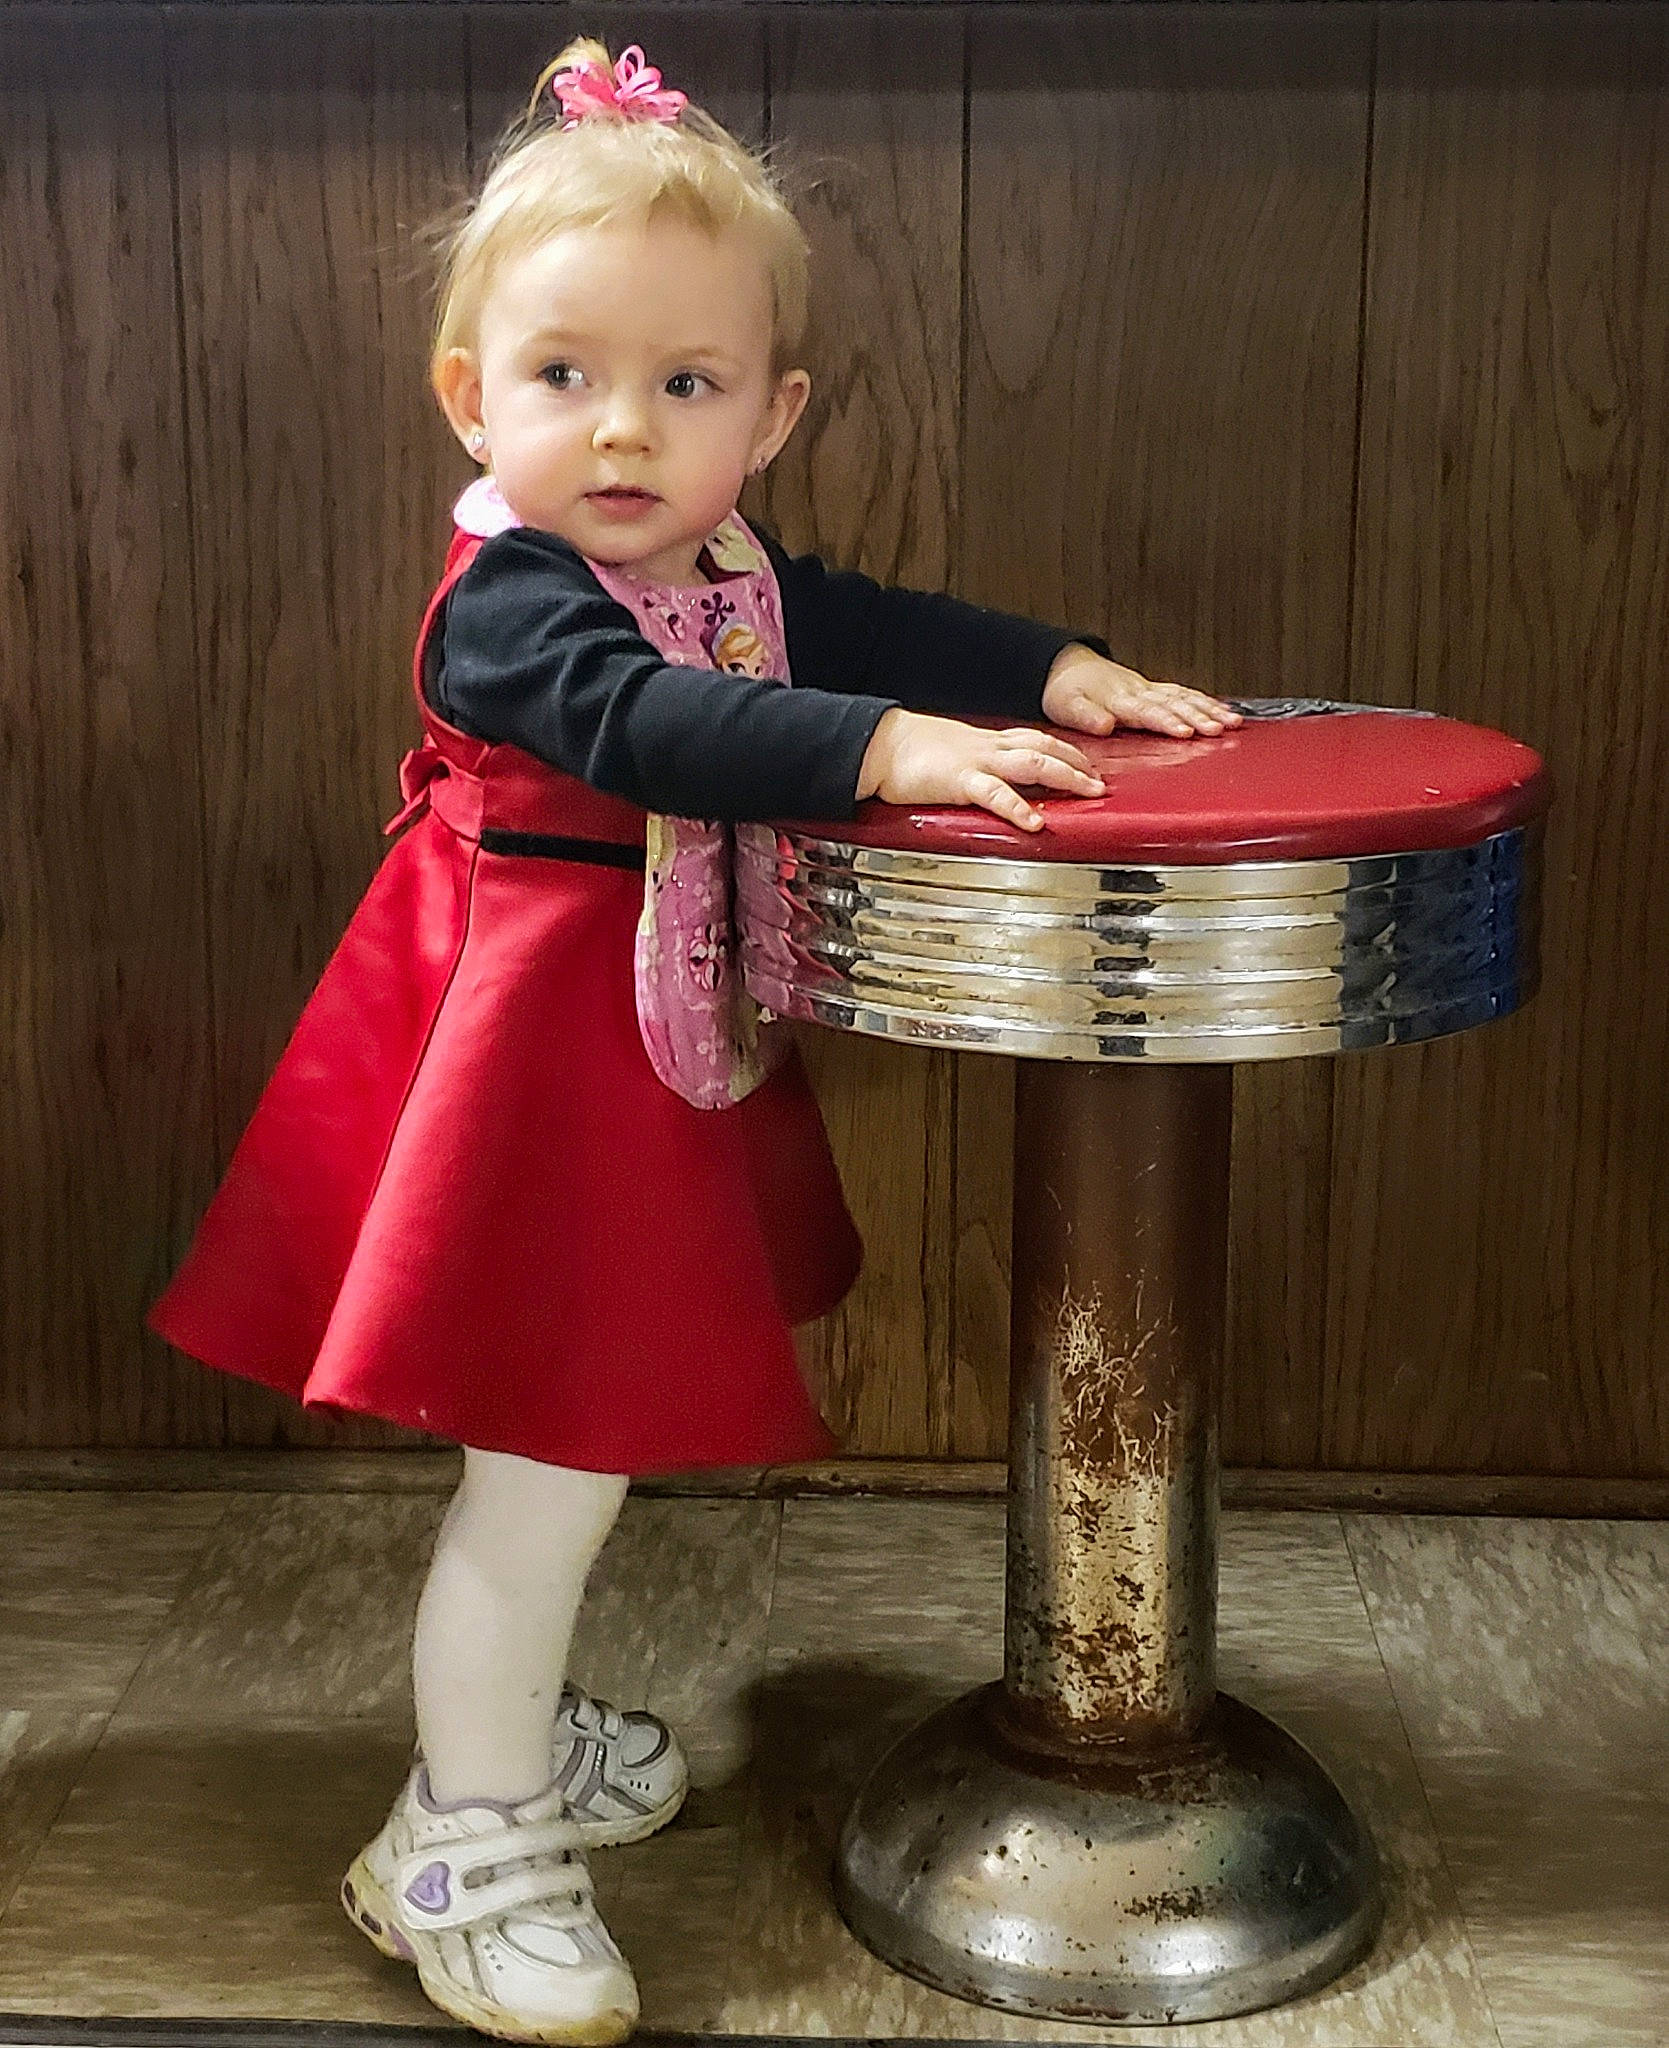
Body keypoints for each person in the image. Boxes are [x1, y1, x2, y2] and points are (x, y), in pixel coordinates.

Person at [147, 37, 1240, 2046]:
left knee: (584, 1440)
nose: (624, 432)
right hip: (510, 1071)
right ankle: (456, 1837)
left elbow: (859, 616)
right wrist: (883, 746)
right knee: (548, 1460)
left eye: (687, 385)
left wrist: (1044, 667)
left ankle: (514, 1742)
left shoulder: (722, 571)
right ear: (474, 396)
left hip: (622, 1055)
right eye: (565, 378)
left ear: (772, 414)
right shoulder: (519, 601)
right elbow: (651, 729)